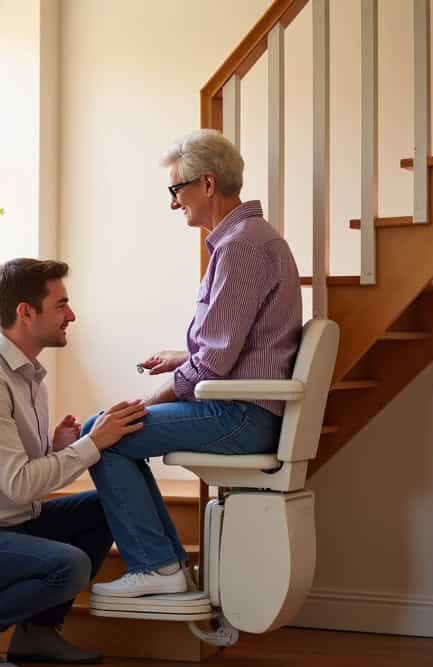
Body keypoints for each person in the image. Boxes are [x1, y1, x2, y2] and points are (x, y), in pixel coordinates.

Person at [86, 128, 303, 599]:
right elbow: (244, 347)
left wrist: (147, 400)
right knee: (110, 429)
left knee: (102, 433)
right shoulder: (251, 238)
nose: (172, 203)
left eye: (175, 189)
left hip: (241, 415)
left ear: (206, 184)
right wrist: (182, 356)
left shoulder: (241, 246)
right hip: (247, 408)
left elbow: (213, 367)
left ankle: (158, 566)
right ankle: (164, 566)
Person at [0, 258, 147, 667]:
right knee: (70, 564)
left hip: (9, 524)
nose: (71, 315)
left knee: (109, 505)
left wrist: (53, 447)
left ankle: (37, 633)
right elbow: (19, 485)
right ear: (26, 312)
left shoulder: (30, 378)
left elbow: (16, 473)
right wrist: (90, 444)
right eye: (61, 305)